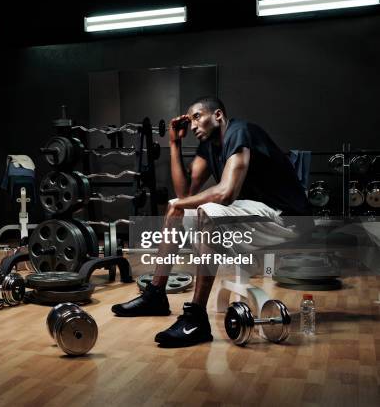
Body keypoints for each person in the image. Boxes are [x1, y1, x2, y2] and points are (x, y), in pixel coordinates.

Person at [111, 96, 311, 348]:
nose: (193, 125)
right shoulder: (209, 146)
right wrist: (174, 143)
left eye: (197, 117)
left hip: (285, 218)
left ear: (217, 115)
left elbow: (226, 192)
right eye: (190, 120)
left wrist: (180, 204)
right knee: (178, 208)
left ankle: (196, 319)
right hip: (253, 213)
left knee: (207, 211)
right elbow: (185, 195)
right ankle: (155, 294)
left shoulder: (240, 132)